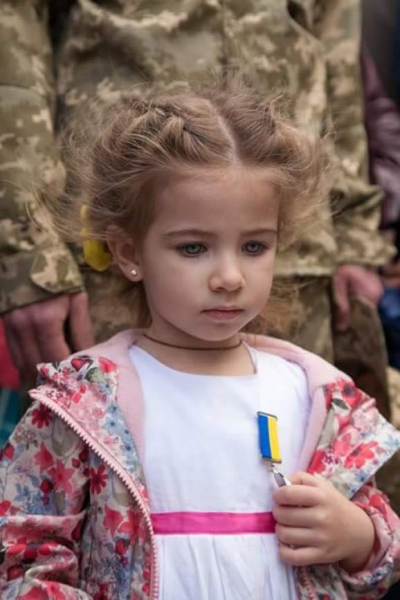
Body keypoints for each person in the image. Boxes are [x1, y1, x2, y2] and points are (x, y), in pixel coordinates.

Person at [0, 85, 399, 599]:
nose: (230, 276)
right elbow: (23, 555)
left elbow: (381, 559)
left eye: (254, 246)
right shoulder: (86, 401)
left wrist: (358, 535)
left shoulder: (315, 395)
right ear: (127, 252)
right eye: (194, 247)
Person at [0, 1, 393, 420]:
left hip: (300, 254)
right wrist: (29, 250)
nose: (229, 278)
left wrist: (354, 232)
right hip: (121, 242)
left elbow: (336, 44)